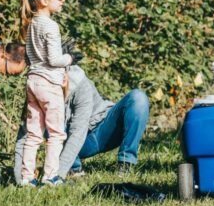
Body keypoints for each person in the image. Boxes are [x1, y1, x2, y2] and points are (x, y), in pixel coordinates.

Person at [13, 65, 149, 182]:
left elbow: (78, 131)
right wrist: (20, 177)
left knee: (138, 98)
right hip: (79, 143)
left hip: (103, 128)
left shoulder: (79, 83)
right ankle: (74, 169)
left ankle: (126, 162)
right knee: (49, 122)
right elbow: (25, 135)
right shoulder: (37, 85)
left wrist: (57, 175)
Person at [19, 0, 77, 186]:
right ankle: (50, 176)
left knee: (34, 134)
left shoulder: (31, 24)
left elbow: (32, 56)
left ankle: (26, 178)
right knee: (56, 133)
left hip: (33, 81)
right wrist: (70, 58)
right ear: (43, 0)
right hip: (49, 84)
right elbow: (54, 60)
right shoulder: (51, 26)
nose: (63, 1)